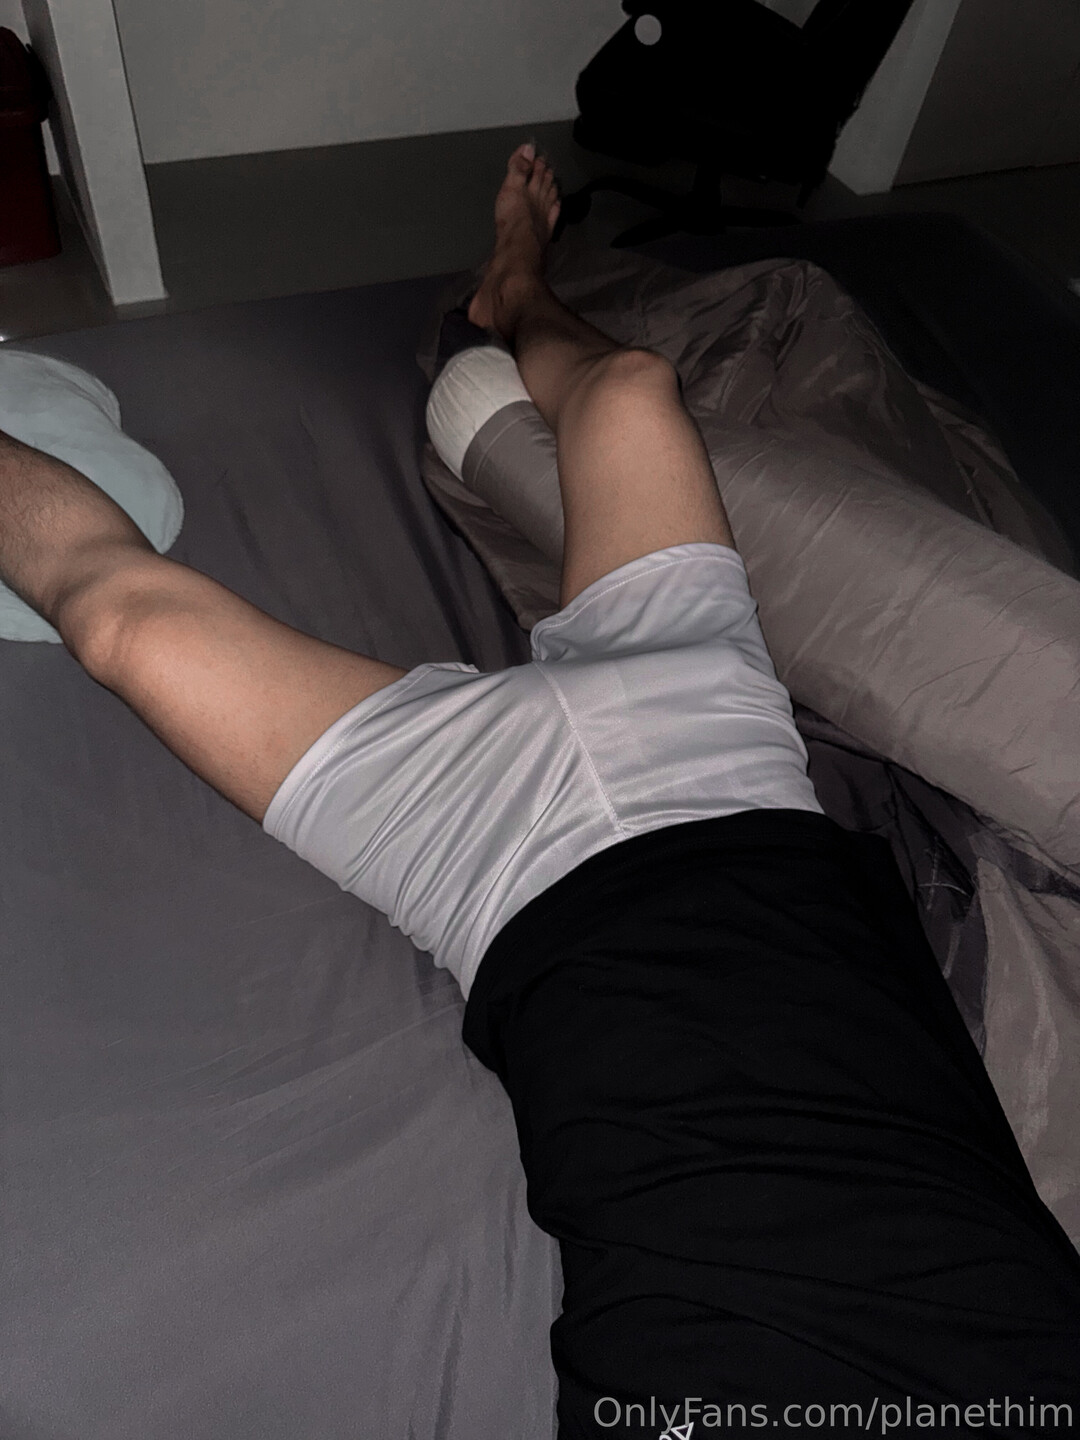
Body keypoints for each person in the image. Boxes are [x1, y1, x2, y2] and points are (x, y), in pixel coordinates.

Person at [2, 142, 1078, 1435]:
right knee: (631, 387)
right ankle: (516, 288)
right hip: (731, 768)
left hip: (491, 864)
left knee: (120, 625)